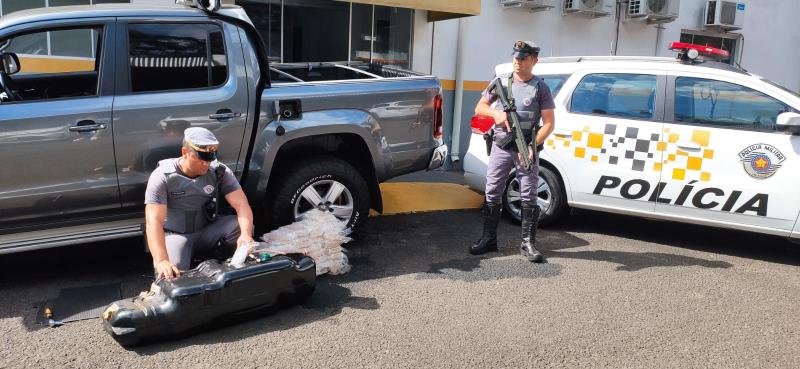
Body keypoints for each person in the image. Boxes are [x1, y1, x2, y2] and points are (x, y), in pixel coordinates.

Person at [469, 40, 555, 263]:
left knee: (529, 194)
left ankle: (528, 244)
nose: (518, 62)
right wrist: (496, 114)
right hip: (501, 145)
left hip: (525, 147)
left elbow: (548, 123)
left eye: (524, 58)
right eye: (516, 58)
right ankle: (488, 239)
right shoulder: (502, 83)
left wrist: (532, 145)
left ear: (534, 61)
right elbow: (480, 107)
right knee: (492, 190)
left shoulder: (540, 87)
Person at [145, 127, 255, 279]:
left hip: (206, 230)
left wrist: (246, 234)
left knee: (239, 226)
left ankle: (226, 264)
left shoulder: (219, 171)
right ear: (185, 152)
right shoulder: (162, 176)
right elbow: (153, 222)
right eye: (201, 158)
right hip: (177, 236)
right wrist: (161, 259)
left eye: (210, 159)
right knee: (170, 275)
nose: (206, 164)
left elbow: (242, 205)